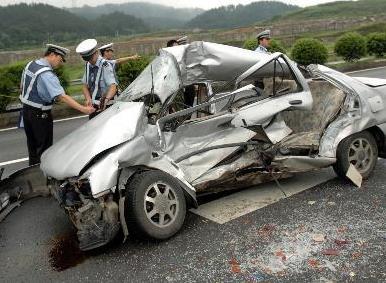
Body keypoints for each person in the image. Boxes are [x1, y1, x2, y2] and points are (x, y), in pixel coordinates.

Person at [19, 44, 95, 165]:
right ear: (52, 55)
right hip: (40, 115)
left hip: (26, 112)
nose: (60, 63)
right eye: (60, 60)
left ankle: (32, 176)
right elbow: (62, 96)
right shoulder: (46, 74)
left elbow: (22, 86)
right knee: (44, 150)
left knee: (32, 147)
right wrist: (84, 109)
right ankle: (43, 179)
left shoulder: (31, 64)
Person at [76, 39, 118, 119]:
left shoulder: (105, 65)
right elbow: (85, 86)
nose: (90, 61)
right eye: (87, 59)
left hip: (106, 106)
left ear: (96, 53)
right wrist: (88, 99)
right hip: (93, 107)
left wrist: (105, 101)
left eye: (91, 59)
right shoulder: (88, 65)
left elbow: (113, 86)